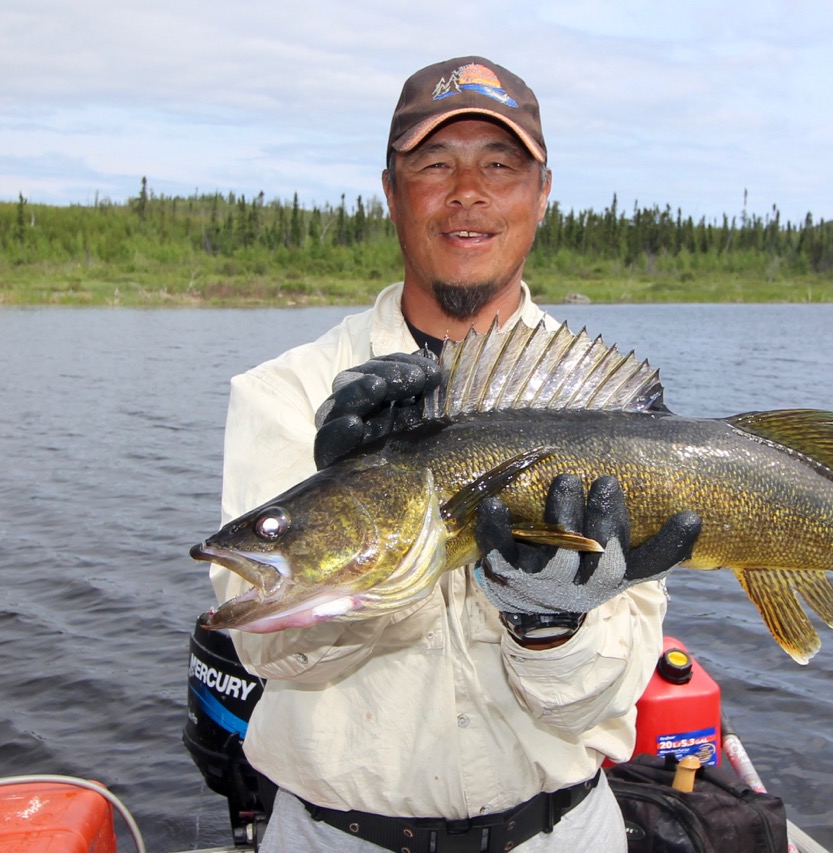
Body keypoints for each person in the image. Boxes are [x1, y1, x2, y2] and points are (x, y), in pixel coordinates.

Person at [209, 56, 701, 853]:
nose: (467, 190)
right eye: (435, 163)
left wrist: (552, 628)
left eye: (500, 165)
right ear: (390, 191)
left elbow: (593, 705)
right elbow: (269, 645)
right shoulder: (285, 394)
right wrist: (358, 504)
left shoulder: (608, 417)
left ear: (542, 195)